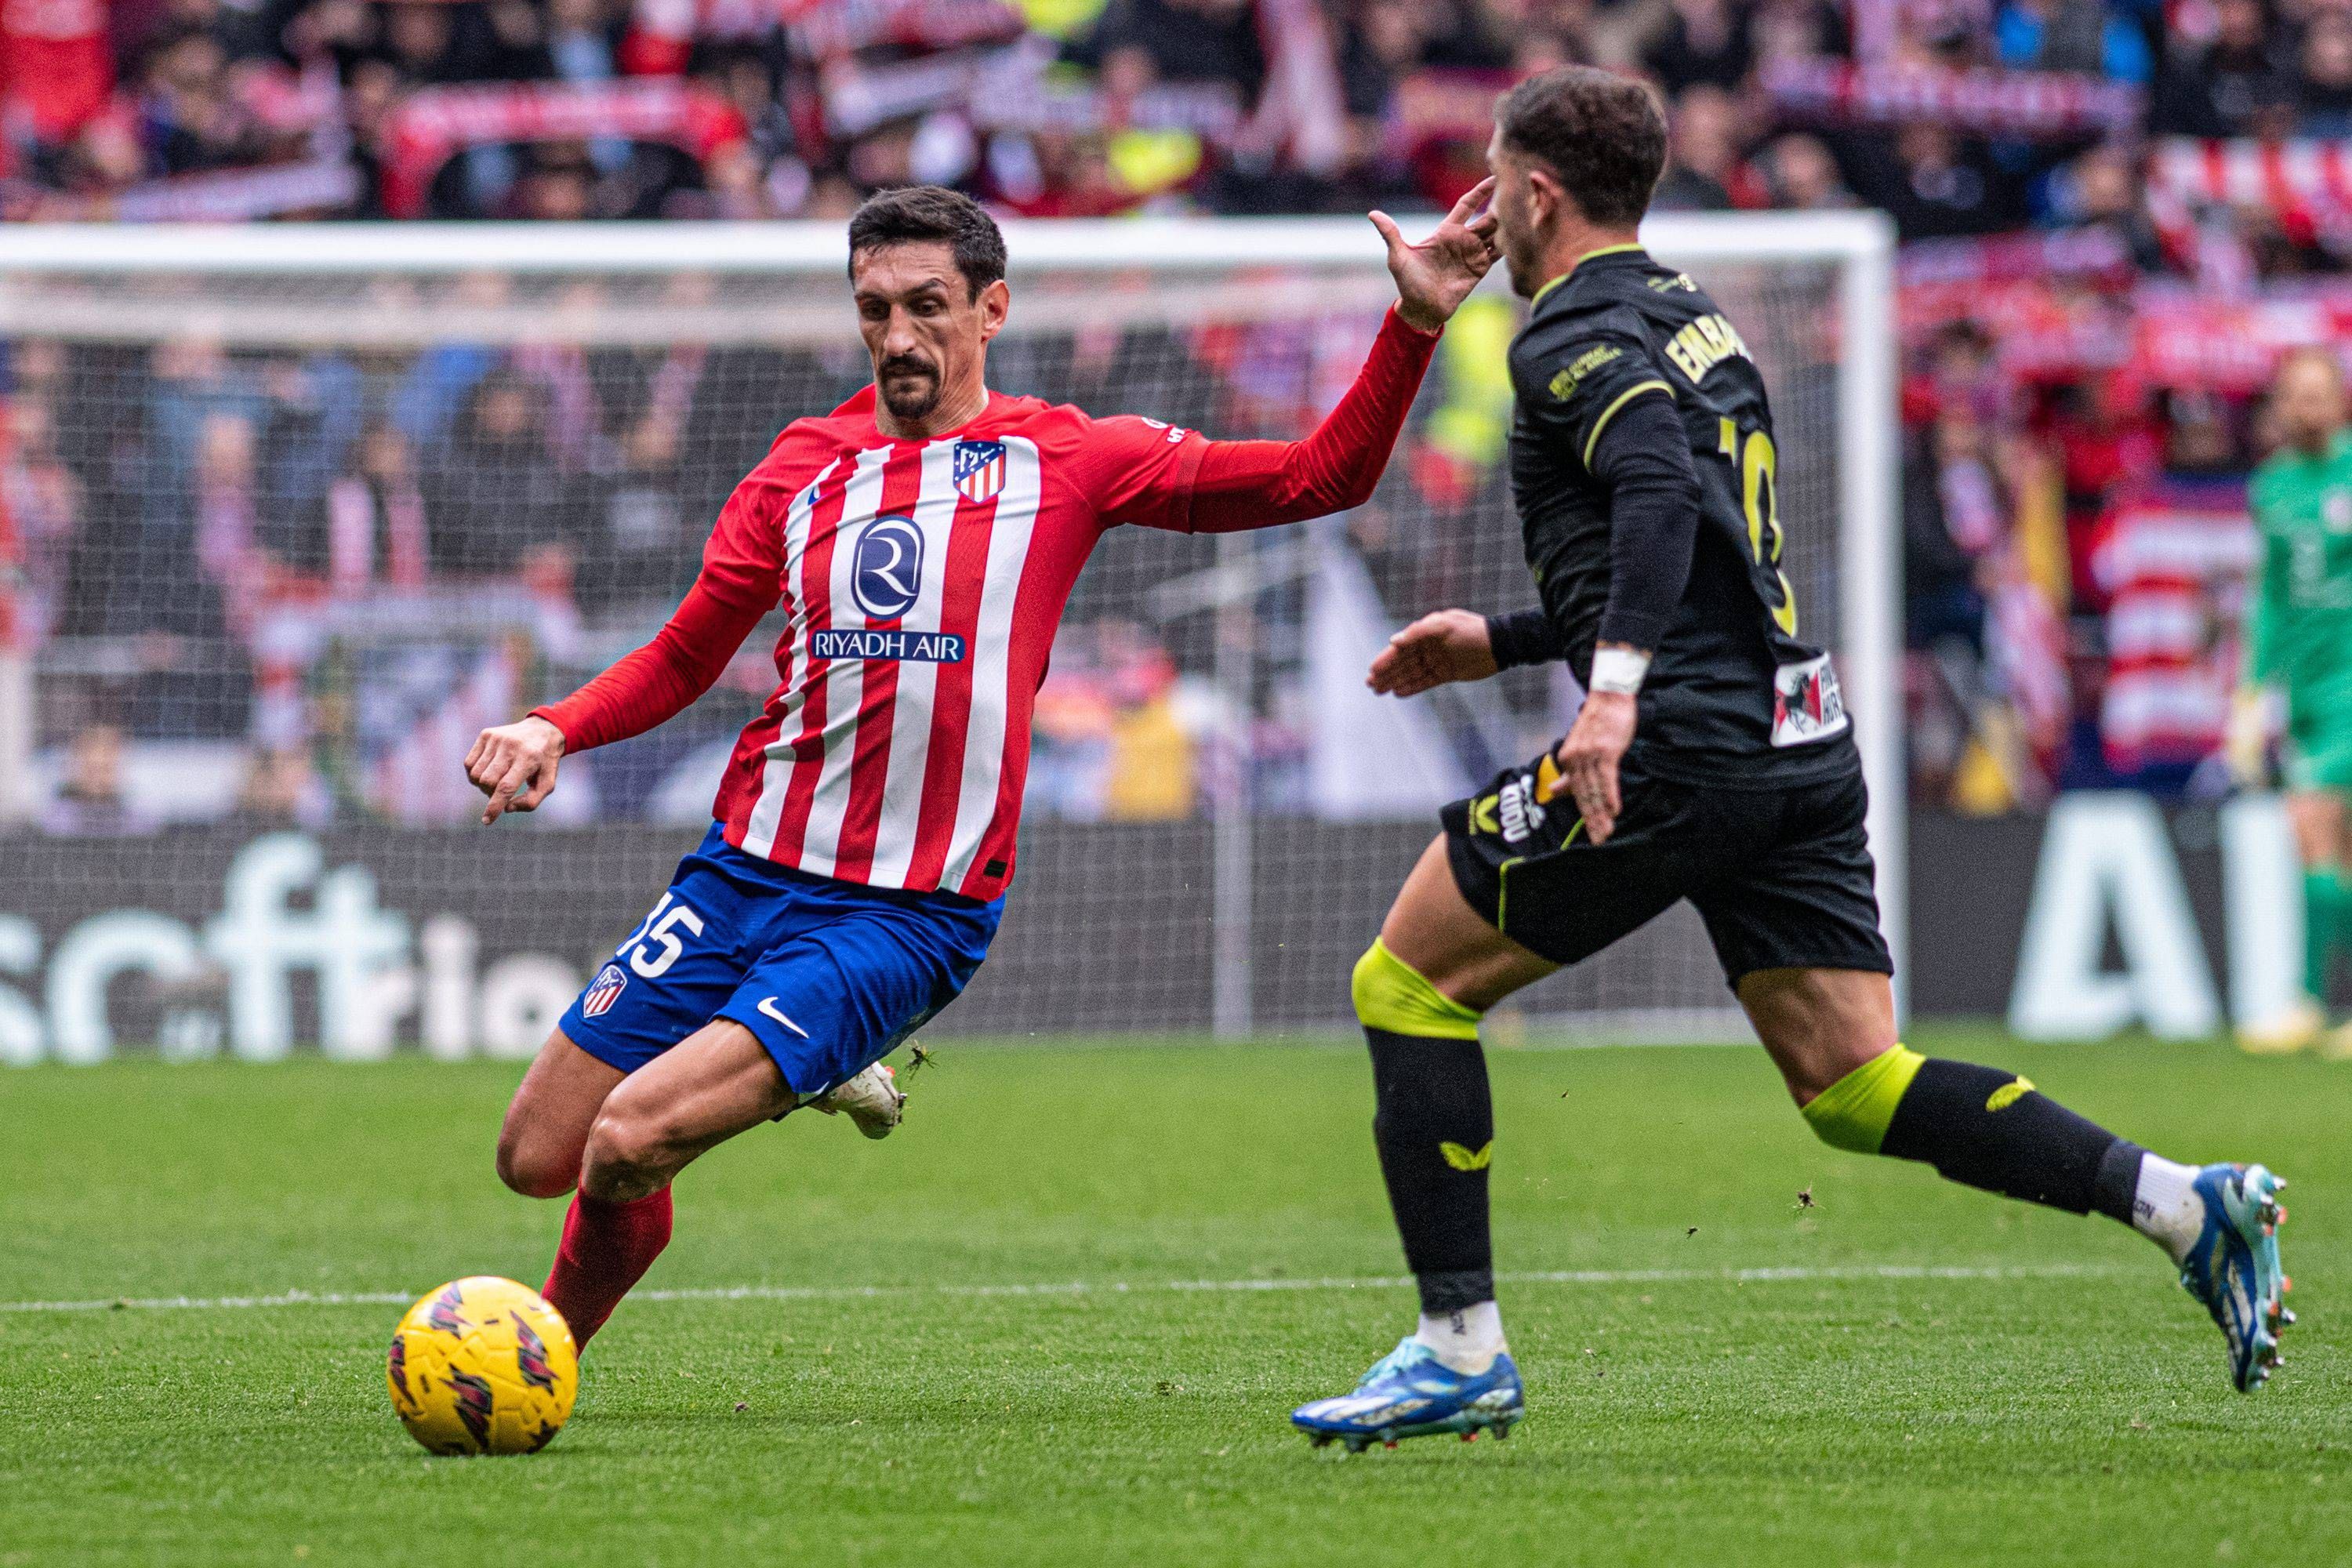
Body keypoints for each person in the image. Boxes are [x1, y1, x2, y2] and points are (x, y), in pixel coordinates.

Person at [1289, 67, 2292, 1453]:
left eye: (1493, 179)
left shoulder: (1567, 334)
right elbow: (1697, 533)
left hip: (1681, 747)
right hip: (1796, 735)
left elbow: (1647, 479)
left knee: (1406, 979)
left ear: (1531, 194)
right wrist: (1517, 638)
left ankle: (1459, 1348)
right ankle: (2185, 1202)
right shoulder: (1700, 317)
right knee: (1854, 1080)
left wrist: (1610, 697)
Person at [462, 183, 1500, 1352]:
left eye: (928, 306)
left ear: (991, 308)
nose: (900, 337)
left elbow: (1322, 477)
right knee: (534, 1156)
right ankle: (814, 1060)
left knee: (626, 1140)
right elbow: (686, 654)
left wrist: (1413, 323)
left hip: (908, 912)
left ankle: (533, 1358)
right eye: (874, 310)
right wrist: (558, 725)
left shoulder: (1070, 460)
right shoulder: (801, 469)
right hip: (741, 874)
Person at [2230, 347, 2352, 1054]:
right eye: (2295, 396)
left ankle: (2308, 999)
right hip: (2304, 689)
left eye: (2320, 394)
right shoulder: (2271, 488)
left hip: (2351, 680)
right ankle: (2313, 1003)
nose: (2308, 408)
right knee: (2336, 845)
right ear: (2280, 406)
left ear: (2340, 401)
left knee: (2311, 822)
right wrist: (2253, 686)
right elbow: (2271, 597)